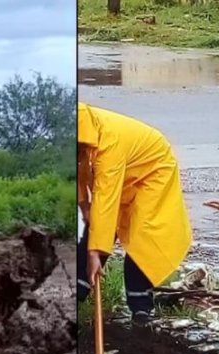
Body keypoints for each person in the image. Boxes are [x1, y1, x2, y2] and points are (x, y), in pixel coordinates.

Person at [77, 102, 192, 322]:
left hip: (152, 171)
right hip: (124, 172)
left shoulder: (109, 143)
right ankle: (76, 295)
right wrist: (84, 207)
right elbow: (80, 173)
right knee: (96, 230)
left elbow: (105, 199)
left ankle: (141, 309)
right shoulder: (81, 138)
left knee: (142, 237)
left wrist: (96, 253)